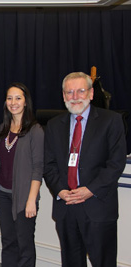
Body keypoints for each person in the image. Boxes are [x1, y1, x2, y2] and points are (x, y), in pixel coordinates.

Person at [44, 72, 127, 267]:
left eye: (80, 91)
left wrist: (90, 190)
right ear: (63, 96)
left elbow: (115, 164)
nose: (75, 97)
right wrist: (61, 191)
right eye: (69, 92)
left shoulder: (111, 120)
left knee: (103, 262)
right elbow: (49, 165)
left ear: (90, 94)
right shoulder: (54, 125)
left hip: (98, 206)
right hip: (67, 207)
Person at [0, 82, 44, 267]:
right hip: (3, 194)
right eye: (9, 98)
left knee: (24, 245)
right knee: (8, 243)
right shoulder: (1, 130)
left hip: (24, 198)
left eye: (18, 98)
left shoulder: (35, 131)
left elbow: (38, 167)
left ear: (26, 102)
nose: (13, 102)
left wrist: (31, 200)